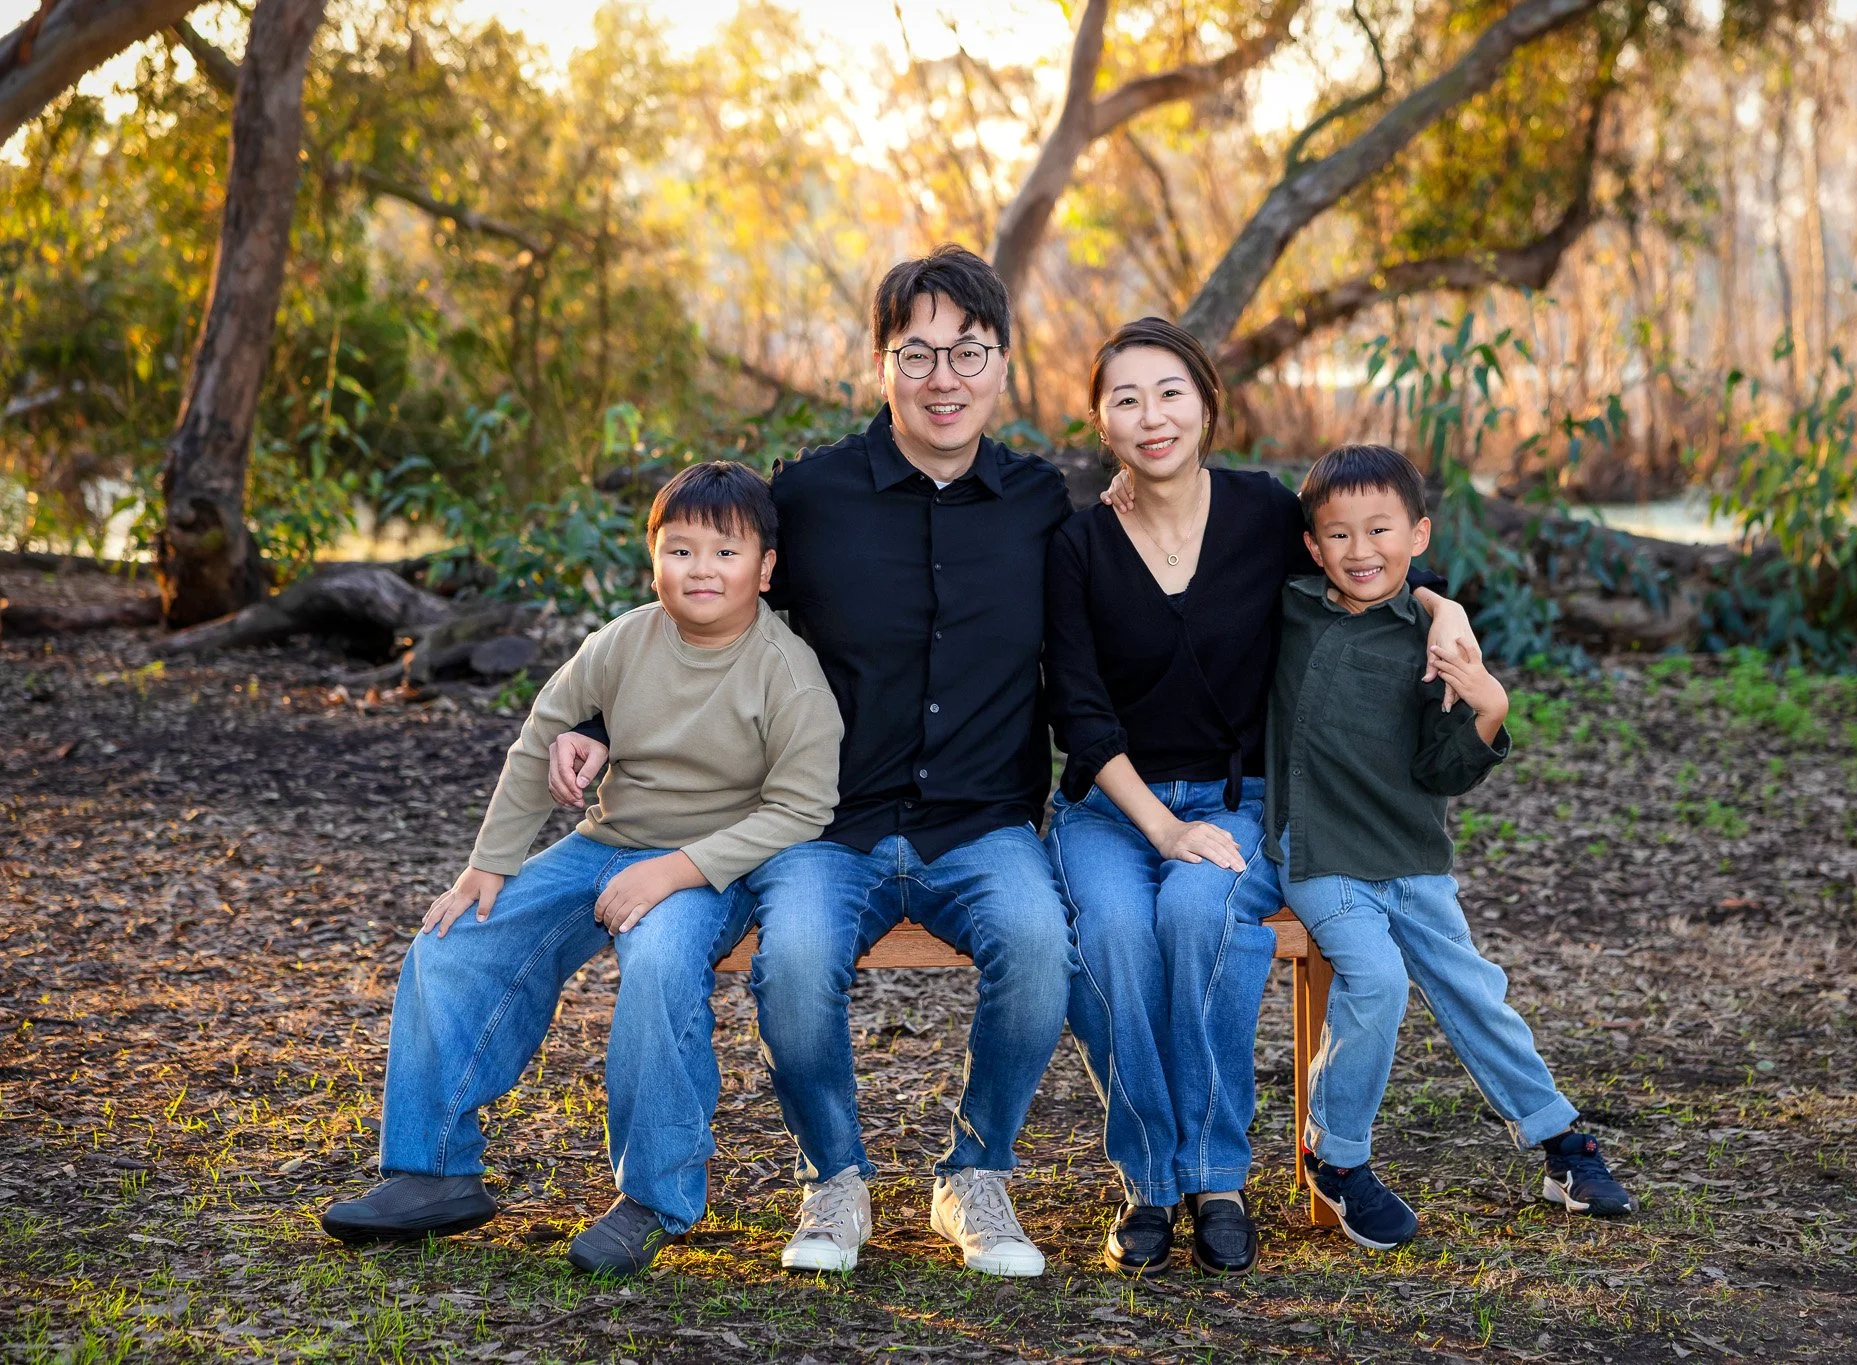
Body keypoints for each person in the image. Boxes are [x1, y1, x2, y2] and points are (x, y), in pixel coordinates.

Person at [547, 246, 1078, 1278]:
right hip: (822, 826)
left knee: (1039, 944)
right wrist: (603, 721)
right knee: (791, 963)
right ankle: (834, 1176)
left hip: (982, 821)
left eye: (966, 354)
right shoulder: (814, 497)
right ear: (878, 363)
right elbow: (707, 611)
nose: (942, 380)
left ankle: (975, 1171)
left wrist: (1415, 597)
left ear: (1002, 366)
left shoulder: (1039, 506)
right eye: (915, 354)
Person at [320, 462, 843, 1279]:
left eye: (724, 552)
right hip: (606, 841)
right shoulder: (625, 640)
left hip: (715, 864)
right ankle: (432, 1169)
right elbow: (544, 732)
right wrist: (488, 865)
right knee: (455, 938)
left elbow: (802, 807)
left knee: (663, 960)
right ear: (653, 560)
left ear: (766, 568)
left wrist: (675, 871)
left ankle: (654, 1198)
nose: (700, 570)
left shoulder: (786, 672)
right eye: (679, 551)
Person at [1041, 317, 1480, 1278]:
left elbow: (1369, 564)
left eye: (1170, 393)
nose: (1151, 416)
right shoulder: (1076, 542)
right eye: (1126, 398)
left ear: (1205, 403)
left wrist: (1445, 607)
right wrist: (1160, 826)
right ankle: (1152, 1181)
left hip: (1239, 798)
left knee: (1203, 915)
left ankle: (1219, 1174)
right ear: (1101, 423)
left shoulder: (1262, 512)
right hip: (1113, 805)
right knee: (1112, 932)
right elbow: (1078, 707)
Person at [1270, 443, 1634, 1254]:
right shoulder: (1290, 608)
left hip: (1409, 850)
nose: (1361, 551)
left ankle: (1560, 1143)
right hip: (1319, 849)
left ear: (1419, 532)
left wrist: (1487, 706)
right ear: (1311, 545)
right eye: (1338, 535)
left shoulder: (1434, 643)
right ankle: (1337, 1155)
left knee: (1476, 987)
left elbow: (1442, 769)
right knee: (1376, 976)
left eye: (1380, 530)